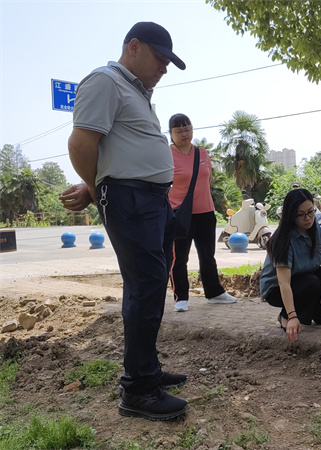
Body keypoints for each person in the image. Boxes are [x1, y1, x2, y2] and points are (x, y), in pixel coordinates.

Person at [61, 22, 188, 421]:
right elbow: (81, 143)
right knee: (144, 287)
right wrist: (96, 186)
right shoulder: (105, 81)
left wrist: (96, 182)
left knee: (152, 285)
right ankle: (138, 390)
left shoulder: (136, 91)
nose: (164, 68)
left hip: (149, 200)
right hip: (130, 200)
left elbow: (118, 149)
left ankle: (147, 369)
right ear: (133, 47)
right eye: (160, 58)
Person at [167, 113, 237, 312]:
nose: (184, 134)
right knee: (179, 257)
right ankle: (181, 297)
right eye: (179, 131)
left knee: (208, 255)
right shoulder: (167, 155)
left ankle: (214, 292)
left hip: (205, 212)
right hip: (179, 214)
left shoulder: (202, 153)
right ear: (170, 133)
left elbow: (208, 179)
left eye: (187, 129)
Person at [260, 188, 321, 343]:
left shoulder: (315, 229)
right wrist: (292, 316)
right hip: (278, 289)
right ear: (291, 215)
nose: (308, 218)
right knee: (311, 283)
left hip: (304, 278)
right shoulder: (283, 240)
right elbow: (283, 282)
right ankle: (285, 315)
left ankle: (313, 312)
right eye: (301, 214)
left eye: (311, 212)